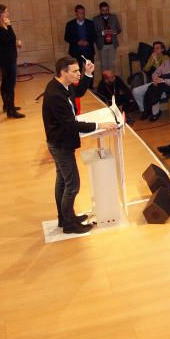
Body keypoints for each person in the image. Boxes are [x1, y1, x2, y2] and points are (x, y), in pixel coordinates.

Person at [43, 56, 116, 234]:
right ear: (63, 72)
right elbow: (70, 123)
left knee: (63, 180)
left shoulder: (62, 86)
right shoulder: (55, 94)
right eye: (75, 71)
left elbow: (80, 92)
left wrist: (88, 74)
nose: (78, 74)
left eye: (78, 71)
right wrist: (99, 125)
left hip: (60, 141)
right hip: (60, 144)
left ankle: (65, 218)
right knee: (72, 184)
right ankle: (69, 224)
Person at [0, 4, 23, 119]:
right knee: (10, 84)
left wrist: (16, 42)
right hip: (6, 60)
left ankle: (7, 105)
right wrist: (9, 26)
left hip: (8, 57)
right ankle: (11, 110)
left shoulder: (3, 27)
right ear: (0, 14)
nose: (8, 14)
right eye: (6, 12)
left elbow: (10, 40)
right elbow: (9, 40)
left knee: (6, 83)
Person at [63, 4, 97, 70]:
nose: (82, 15)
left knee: (90, 72)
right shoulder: (70, 24)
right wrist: (77, 42)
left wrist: (88, 42)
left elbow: (95, 36)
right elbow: (66, 38)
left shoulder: (90, 23)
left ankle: (89, 81)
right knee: (77, 72)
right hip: (76, 52)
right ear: (76, 13)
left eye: (83, 13)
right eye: (80, 13)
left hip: (88, 52)